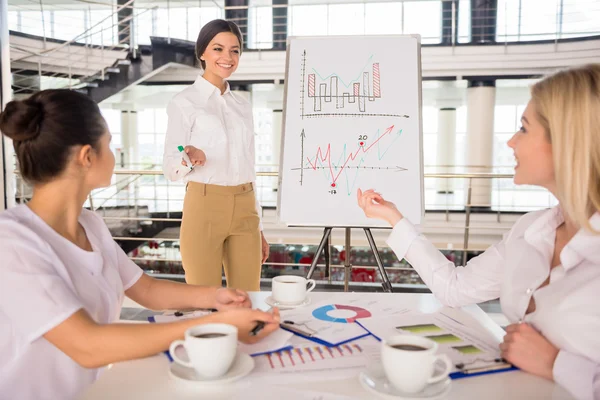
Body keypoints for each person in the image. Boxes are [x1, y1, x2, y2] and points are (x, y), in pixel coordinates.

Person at [0, 89, 280, 400]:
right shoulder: (12, 242)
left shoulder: (91, 225)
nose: (115, 153)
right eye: (108, 144)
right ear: (87, 157)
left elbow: (146, 290)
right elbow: (87, 345)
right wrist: (217, 322)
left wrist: (216, 296)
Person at [357, 64, 600, 400]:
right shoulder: (530, 230)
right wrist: (394, 218)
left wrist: (556, 364)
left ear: (568, 142)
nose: (511, 142)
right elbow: (455, 289)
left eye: (524, 129)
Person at [162, 19, 268, 292]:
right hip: (204, 204)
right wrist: (188, 155)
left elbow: (249, 164)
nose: (227, 57)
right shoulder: (184, 102)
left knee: (248, 298)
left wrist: (260, 227)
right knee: (202, 298)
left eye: (234, 51)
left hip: (245, 206)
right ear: (202, 53)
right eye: (218, 48)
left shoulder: (242, 106)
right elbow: (171, 163)